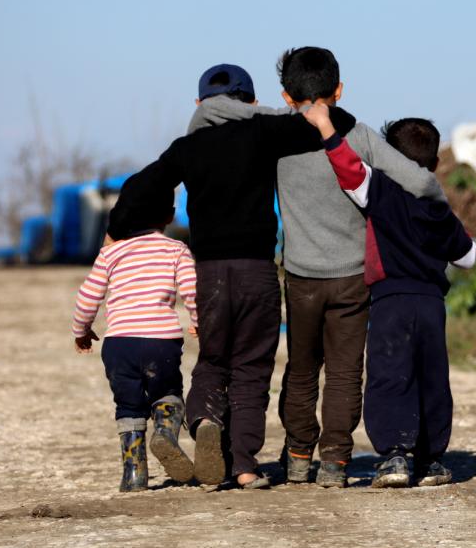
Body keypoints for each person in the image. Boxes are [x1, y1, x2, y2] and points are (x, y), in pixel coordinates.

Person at [195, 47, 446, 488]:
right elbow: (421, 181)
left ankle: (297, 458)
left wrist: (216, 108)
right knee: (345, 374)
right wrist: (440, 214)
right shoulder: (360, 136)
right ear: (340, 89)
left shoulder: (275, 132)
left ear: (286, 96)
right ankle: (335, 463)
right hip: (353, 278)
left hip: (301, 277)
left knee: (302, 370)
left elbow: (224, 114)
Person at [106, 63, 356, 489]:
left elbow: (140, 186)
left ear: (199, 103)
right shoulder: (263, 131)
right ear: (252, 102)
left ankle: (205, 420)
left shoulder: (187, 147)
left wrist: (115, 230)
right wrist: (287, 113)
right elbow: (336, 121)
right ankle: (244, 466)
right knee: (252, 368)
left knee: (214, 361)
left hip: (209, 274)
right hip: (256, 271)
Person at [303, 106, 476, 487]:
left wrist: (326, 127)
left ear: (388, 157)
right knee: (432, 378)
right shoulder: (438, 207)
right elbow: (468, 256)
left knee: (389, 375)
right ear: (434, 163)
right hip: (431, 304)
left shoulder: (380, 190)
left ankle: (395, 456)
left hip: (389, 301)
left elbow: (349, 168)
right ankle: (431, 461)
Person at [72, 186, 198, 491]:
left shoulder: (110, 252)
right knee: (167, 392)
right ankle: (164, 435)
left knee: (128, 405)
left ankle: (134, 474)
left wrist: (81, 330)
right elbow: (192, 291)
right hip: (161, 343)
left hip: (119, 345)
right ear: (170, 216)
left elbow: (88, 297)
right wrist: (199, 321)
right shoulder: (176, 249)